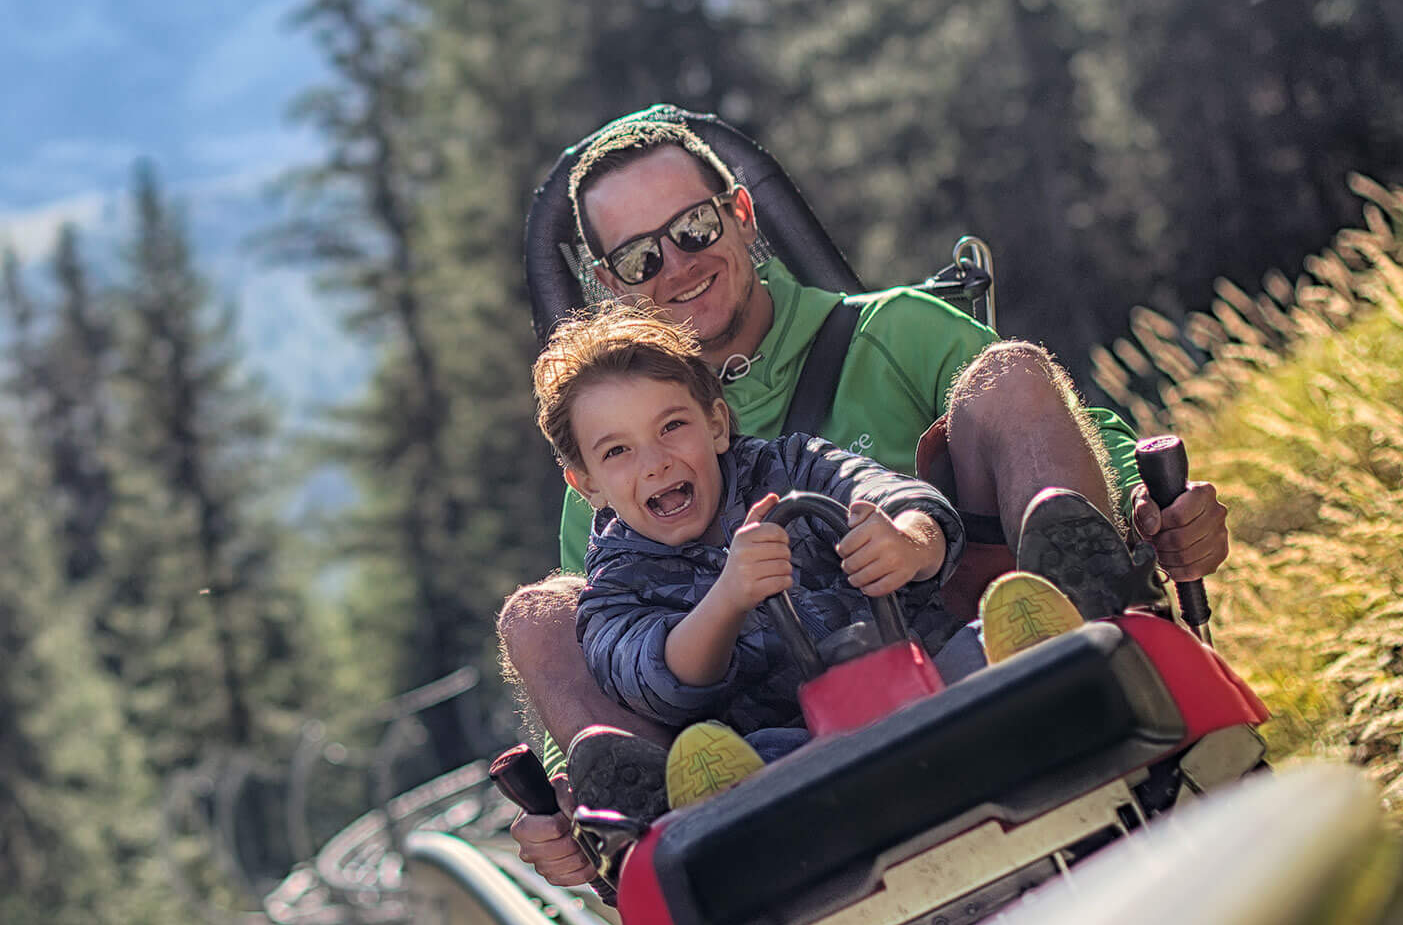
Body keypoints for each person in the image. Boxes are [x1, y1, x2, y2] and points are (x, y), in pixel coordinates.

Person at [501, 114, 1229, 885]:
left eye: (694, 227)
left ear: (742, 213)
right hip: (766, 756)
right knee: (538, 616)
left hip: (959, 653)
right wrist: (568, 786)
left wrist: (1148, 509)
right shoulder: (609, 498)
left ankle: (1083, 643)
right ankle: (652, 825)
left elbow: (1065, 434)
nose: (677, 265)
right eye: (641, 256)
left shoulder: (891, 334)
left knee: (1010, 372)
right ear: (612, 284)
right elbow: (603, 647)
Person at [532, 304, 968, 816]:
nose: (655, 463)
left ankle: (1034, 638)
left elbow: (890, 494)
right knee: (744, 760)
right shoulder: (616, 587)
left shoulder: (792, 465)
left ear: (716, 424)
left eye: (672, 426)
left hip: (925, 671)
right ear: (588, 485)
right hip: (798, 751)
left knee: (975, 645)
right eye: (616, 452)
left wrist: (907, 541)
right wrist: (729, 598)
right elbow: (651, 680)